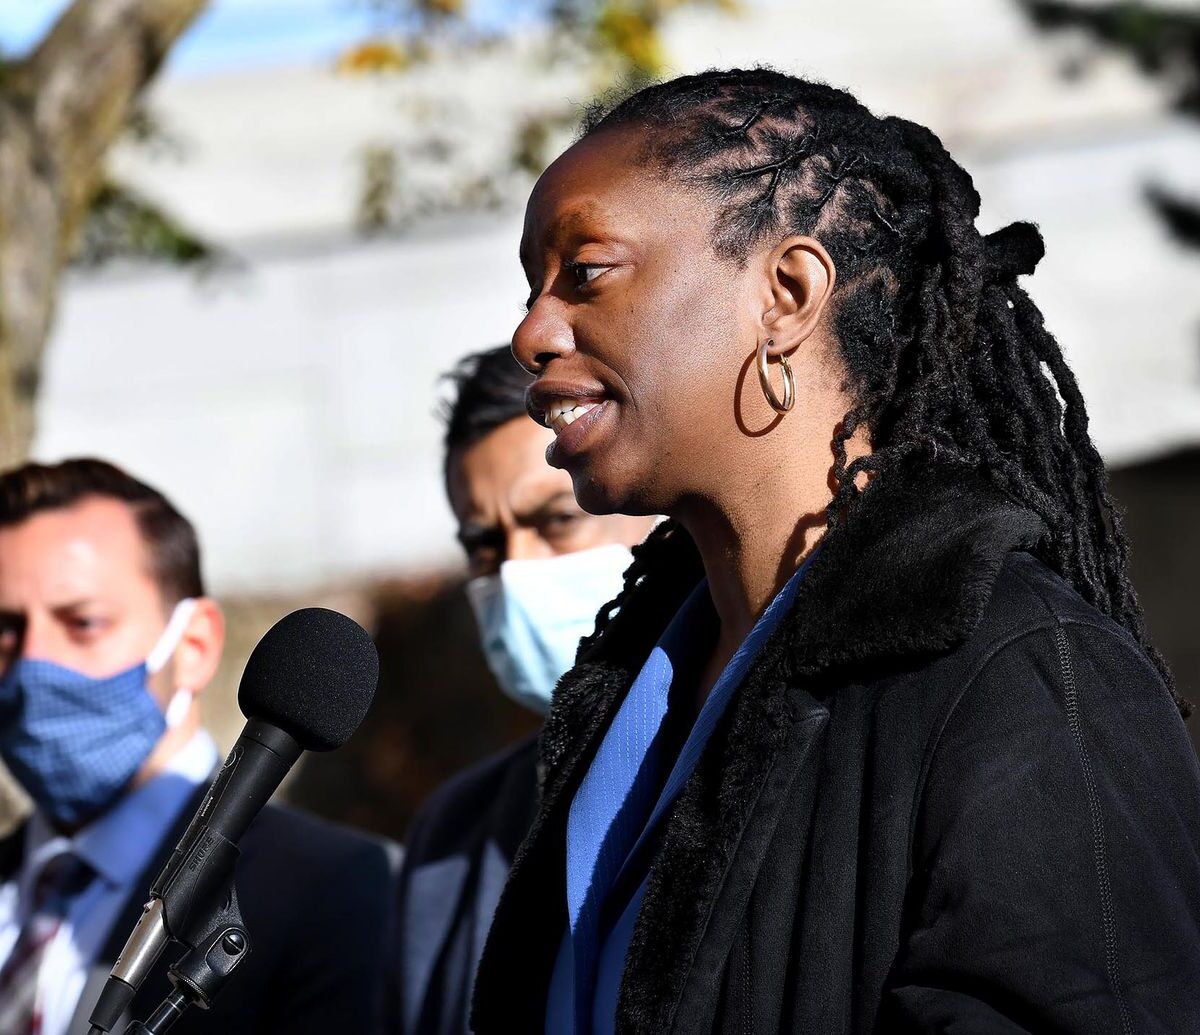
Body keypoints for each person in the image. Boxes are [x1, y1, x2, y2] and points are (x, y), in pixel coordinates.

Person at [470, 69, 1200, 1033]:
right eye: (532, 287)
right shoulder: (627, 703)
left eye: (586, 272)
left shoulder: (1023, 679)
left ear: (788, 292)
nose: (532, 332)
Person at [0, 458, 395, 1035]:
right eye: (5, 630)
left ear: (194, 645)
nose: (34, 664)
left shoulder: (331, 890)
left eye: (83, 622)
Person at [392, 346, 655, 1034]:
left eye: (555, 522)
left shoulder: (756, 760)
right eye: (484, 546)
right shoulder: (454, 832)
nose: (514, 572)